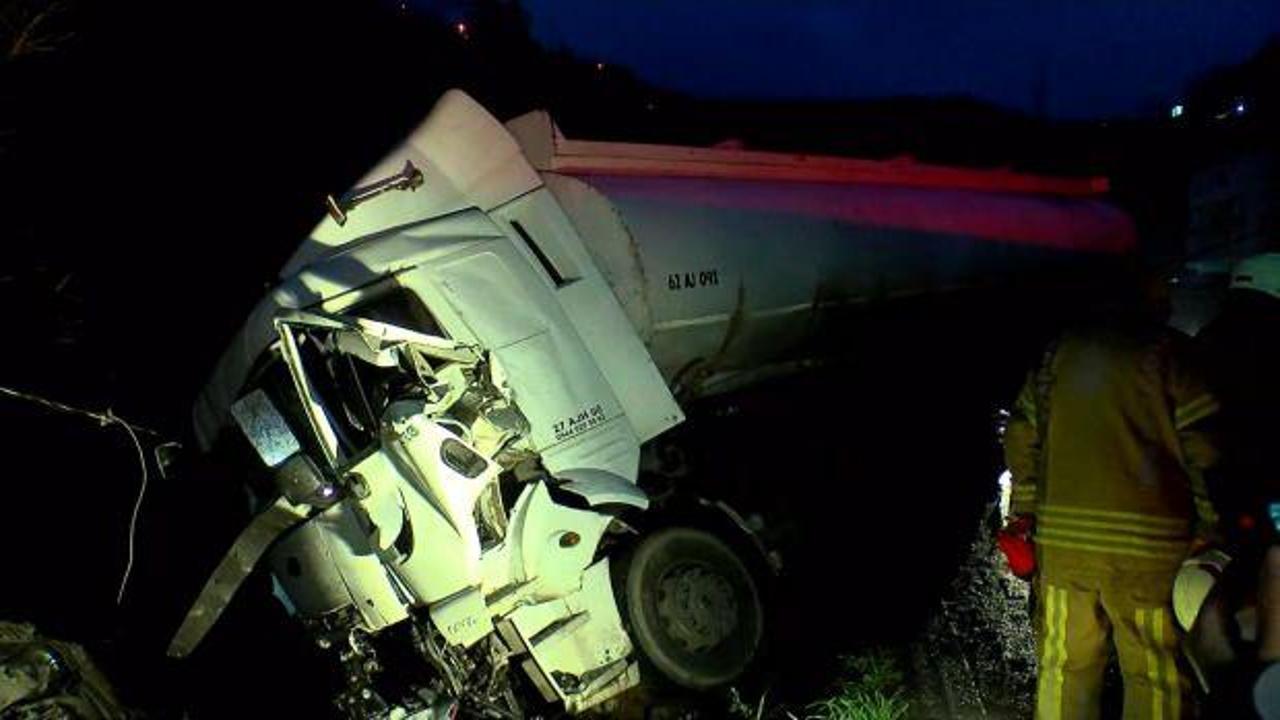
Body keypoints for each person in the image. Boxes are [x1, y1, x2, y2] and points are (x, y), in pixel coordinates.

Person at [1003, 271, 1221, 720]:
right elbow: (1205, 450)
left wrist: (1025, 512)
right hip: (1150, 552)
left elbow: (1022, 434)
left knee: (1064, 666)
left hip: (1063, 547)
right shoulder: (1170, 354)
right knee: (1155, 672)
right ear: (1149, 297)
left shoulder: (1058, 353)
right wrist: (1208, 527)